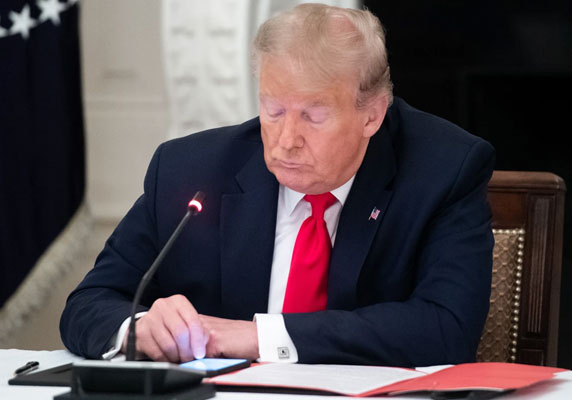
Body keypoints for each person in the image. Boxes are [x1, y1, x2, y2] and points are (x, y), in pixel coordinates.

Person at [60, 4, 494, 367]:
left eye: (313, 116)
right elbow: (90, 303)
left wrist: (259, 337)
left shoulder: (444, 170)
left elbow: (446, 329)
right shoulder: (189, 170)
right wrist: (139, 329)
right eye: (272, 109)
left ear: (372, 115)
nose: (286, 140)